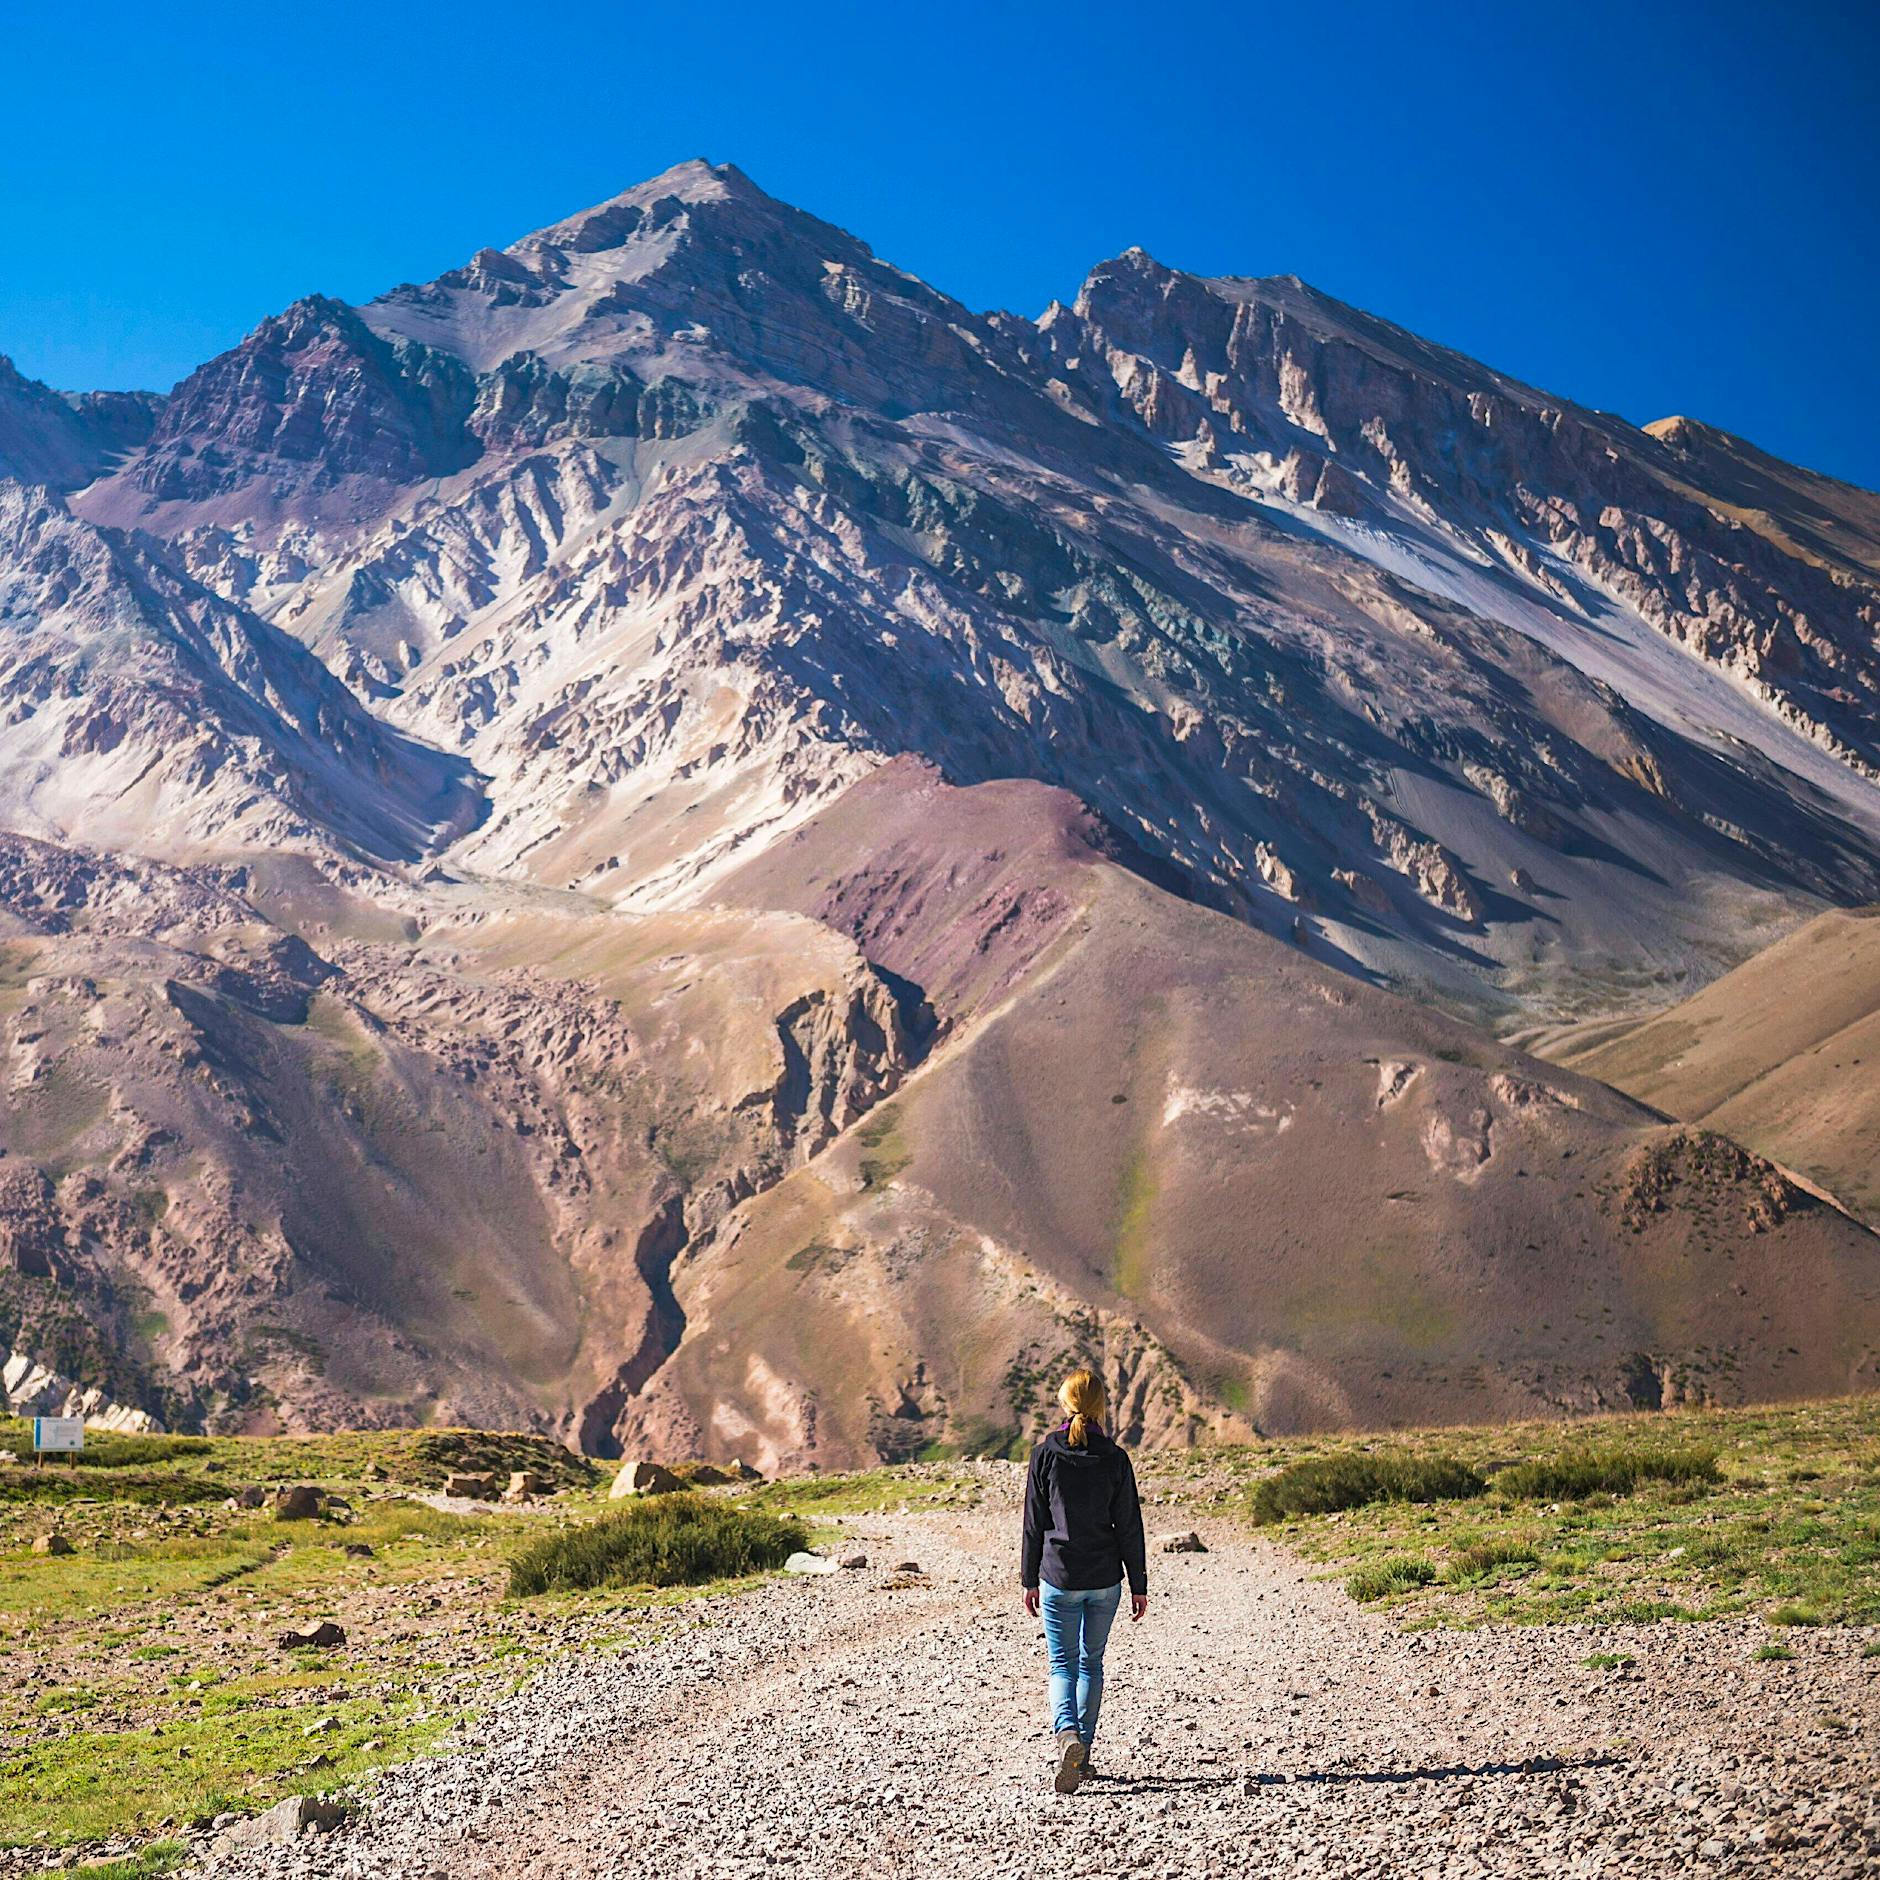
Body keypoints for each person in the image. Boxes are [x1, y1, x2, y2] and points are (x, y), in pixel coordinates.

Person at [1019, 1369, 1149, 1793]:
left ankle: (1067, 1738)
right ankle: (1084, 1753)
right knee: (1091, 1663)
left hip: (1058, 1575)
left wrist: (1028, 1578)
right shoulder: (1115, 1458)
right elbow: (1129, 1524)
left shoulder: (1045, 1455)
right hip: (1105, 1579)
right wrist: (1139, 1583)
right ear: (1099, 1408)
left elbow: (1033, 1524)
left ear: (1065, 1403)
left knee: (1062, 1664)